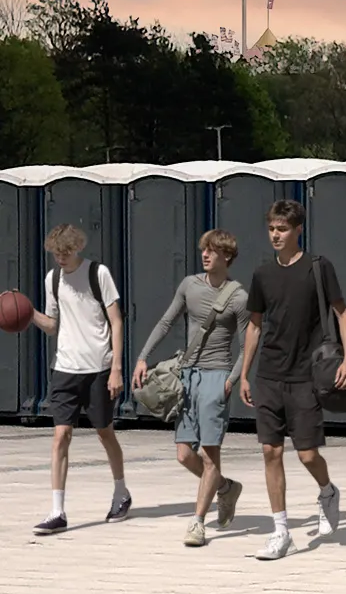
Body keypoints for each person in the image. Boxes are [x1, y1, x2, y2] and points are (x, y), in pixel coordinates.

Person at [236, 200, 346, 561]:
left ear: (297, 230)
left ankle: (327, 490)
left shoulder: (318, 268)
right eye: (272, 228)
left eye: (282, 228)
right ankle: (281, 531)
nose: (275, 234)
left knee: (306, 454)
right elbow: (255, 324)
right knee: (271, 451)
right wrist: (244, 373)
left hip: (306, 375)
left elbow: (343, 313)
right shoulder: (262, 274)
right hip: (269, 373)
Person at [133, 230, 250, 547]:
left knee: (210, 454)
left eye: (212, 250)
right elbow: (166, 322)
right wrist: (143, 358)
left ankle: (198, 523)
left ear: (226, 256)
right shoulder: (190, 286)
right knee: (185, 454)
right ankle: (226, 488)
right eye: (204, 250)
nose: (205, 255)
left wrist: (231, 379)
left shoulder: (238, 297)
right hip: (188, 377)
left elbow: (249, 342)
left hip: (217, 377)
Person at [29, 224, 126, 535]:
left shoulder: (99, 274)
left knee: (104, 433)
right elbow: (53, 325)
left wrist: (116, 368)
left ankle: (121, 493)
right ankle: (57, 511)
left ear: (77, 248)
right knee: (61, 436)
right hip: (65, 368)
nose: (60, 257)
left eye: (65, 252)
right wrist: (27, 313)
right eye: (56, 252)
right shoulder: (52, 279)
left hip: (98, 366)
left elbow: (116, 320)